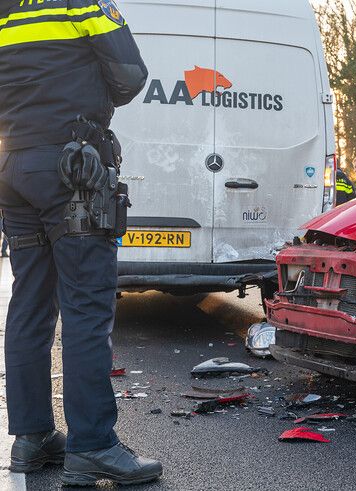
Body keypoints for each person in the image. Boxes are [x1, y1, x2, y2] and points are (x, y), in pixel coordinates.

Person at [0, 0, 163, 486]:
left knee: (30, 300)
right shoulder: (80, 2)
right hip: (71, 167)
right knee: (87, 307)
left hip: (12, 167)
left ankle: (32, 437)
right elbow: (131, 75)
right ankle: (93, 445)